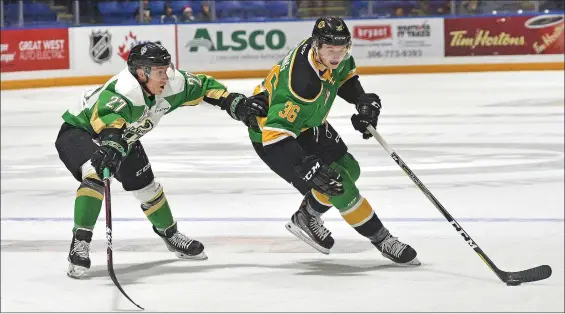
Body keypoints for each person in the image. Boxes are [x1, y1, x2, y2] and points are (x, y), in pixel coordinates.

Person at [55, 42, 268, 278]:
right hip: (80, 132)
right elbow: (109, 117)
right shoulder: (124, 90)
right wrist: (112, 146)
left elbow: (205, 87)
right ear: (141, 73)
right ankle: (80, 242)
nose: (165, 76)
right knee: (94, 173)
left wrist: (234, 103)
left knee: (147, 187)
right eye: (159, 72)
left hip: (123, 136)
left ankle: (170, 235)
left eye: (166, 69)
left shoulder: (171, 84)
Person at [247, 17, 420, 265]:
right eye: (331, 51)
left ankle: (306, 216)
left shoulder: (333, 51)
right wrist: (305, 163)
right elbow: (275, 137)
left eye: (342, 49)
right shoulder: (301, 84)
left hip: (307, 122)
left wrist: (361, 101)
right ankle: (383, 240)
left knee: (350, 168)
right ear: (317, 46)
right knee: (335, 182)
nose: (337, 56)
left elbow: (345, 77)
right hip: (276, 137)